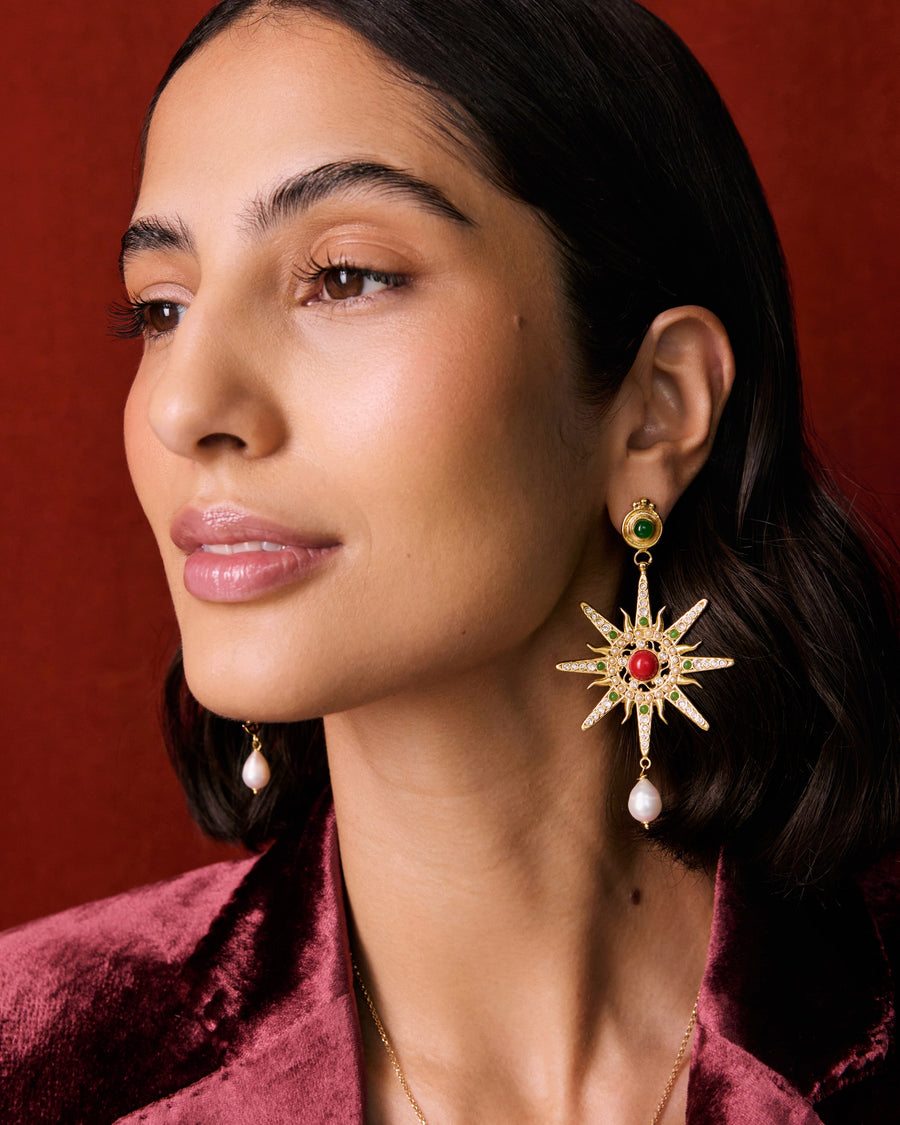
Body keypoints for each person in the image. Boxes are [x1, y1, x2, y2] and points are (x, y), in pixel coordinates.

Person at [1, 0, 897, 1121]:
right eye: (161, 307)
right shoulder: (41, 1064)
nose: (185, 404)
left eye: (343, 276)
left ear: (655, 412)